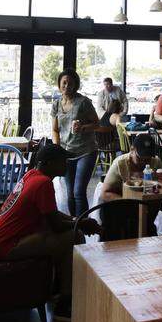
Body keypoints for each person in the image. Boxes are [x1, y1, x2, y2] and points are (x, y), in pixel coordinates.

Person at [0, 141, 101, 320]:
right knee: (74, 237)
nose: (66, 164)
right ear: (48, 163)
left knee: (69, 234)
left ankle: (56, 289)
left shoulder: (31, 175)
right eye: (62, 161)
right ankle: (64, 303)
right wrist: (81, 224)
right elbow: (56, 224)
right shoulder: (43, 183)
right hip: (6, 246)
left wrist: (77, 220)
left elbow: (51, 214)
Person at [50, 69, 109, 218]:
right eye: (64, 82)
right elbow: (55, 130)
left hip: (86, 151)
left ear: (75, 85)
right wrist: (57, 149)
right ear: (59, 84)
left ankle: (83, 227)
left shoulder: (83, 102)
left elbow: (97, 123)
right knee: (69, 194)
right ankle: (74, 224)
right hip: (66, 153)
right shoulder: (56, 104)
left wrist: (82, 127)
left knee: (78, 192)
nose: (67, 85)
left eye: (70, 83)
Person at [99, 132, 162, 202]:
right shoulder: (120, 163)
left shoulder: (156, 161)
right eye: (140, 158)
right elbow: (105, 194)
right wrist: (129, 203)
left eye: (148, 159)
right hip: (123, 203)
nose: (144, 162)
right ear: (132, 149)